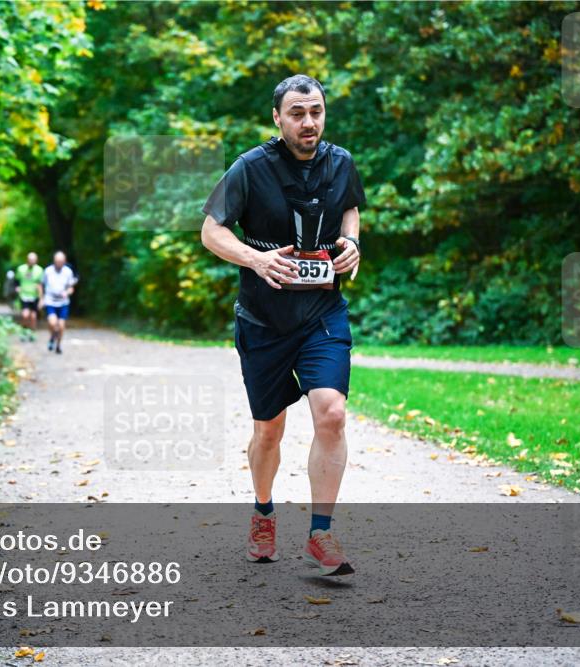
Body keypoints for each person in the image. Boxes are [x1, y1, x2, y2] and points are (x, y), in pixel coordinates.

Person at [200, 75, 365, 575]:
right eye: (297, 113)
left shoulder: (341, 163)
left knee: (331, 413)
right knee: (269, 429)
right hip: (264, 320)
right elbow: (211, 231)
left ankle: (321, 533)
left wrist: (352, 243)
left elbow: (350, 209)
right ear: (277, 118)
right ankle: (264, 511)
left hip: (322, 313)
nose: (308, 122)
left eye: (315, 111)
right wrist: (255, 260)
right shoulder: (250, 168)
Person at [40, 251, 77, 355]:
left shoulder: (68, 271)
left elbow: (71, 287)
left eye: (61, 261)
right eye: (57, 261)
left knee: (61, 325)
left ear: (64, 261)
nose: (59, 263)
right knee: (52, 323)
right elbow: (41, 285)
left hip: (63, 302)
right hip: (50, 301)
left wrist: (67, 292)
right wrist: (41, 299)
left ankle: (58, 345)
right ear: (54, 261)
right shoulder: (48, 271)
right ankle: (52, 336)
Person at [16, 253, 43, 340]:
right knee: (25, 315)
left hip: (34, 296)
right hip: (24, 295)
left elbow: (40, 284)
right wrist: (17, 287)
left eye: (34, 260)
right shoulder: (21, 269)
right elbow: (16, 280)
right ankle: (24, 331)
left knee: (33, 316)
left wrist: (41, 298)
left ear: (36, 260)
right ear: (27, 260)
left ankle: (32, 334)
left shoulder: (39, 270)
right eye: (30, 260)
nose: (32, 261)